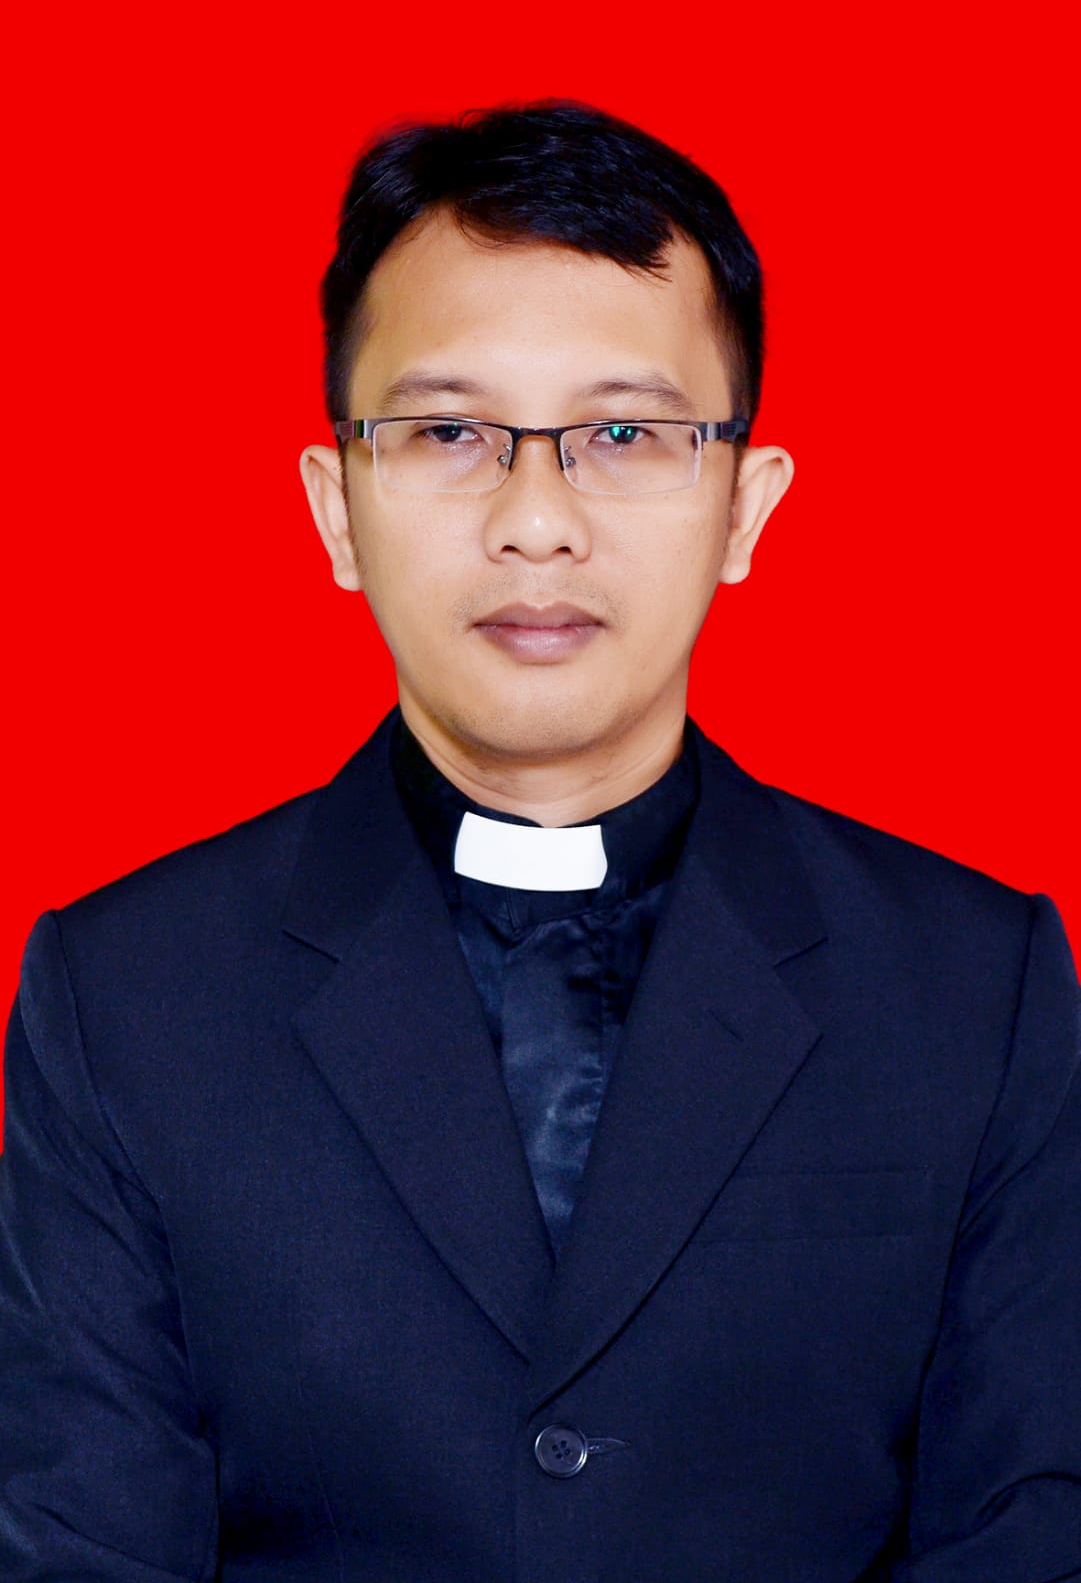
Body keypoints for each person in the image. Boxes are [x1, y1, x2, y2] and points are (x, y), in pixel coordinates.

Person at [1, 100, 1079, 1583]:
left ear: (744, 506)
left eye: (624, 434)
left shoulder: (972, 985)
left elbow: (1028, 1531)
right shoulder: (124, 994)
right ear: (335, 508)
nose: (535, 522)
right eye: (448, 432)